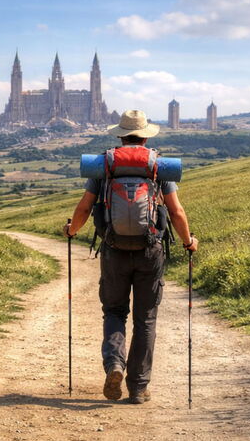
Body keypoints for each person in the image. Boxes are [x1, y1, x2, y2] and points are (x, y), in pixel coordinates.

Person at [64, 109, 198, 404]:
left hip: (114, 250)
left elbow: (85, 207)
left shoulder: (105, 166)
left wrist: (72, 230)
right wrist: (189, 242)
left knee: (114, 312)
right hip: (150, 250)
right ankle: (138, 387)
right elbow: (176, 211)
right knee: (146, 318)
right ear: (146, 136)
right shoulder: (157, 167)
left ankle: (114, 364)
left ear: (120, 135)